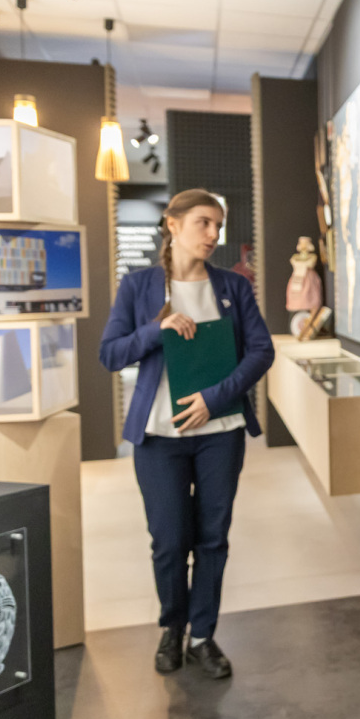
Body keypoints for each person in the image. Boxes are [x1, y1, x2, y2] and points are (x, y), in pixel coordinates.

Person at [98, 188, 275, 679]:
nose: (214, 234)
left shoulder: (233, 286)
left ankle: (202, 635)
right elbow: (110, 354)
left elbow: (261, 351)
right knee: (170, 540)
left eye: (218, 225)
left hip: (221, 432)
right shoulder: (138, 287)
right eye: (204, 223)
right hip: (159, 437)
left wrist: (213, 400)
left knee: (213, 538)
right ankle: (172, 627)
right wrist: (156, 329)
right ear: (172, 225)